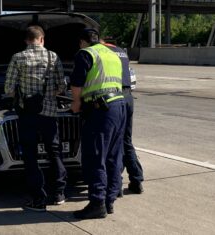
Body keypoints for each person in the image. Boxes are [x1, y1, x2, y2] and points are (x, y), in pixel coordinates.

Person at [5, 25, 67, 212]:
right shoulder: (53, 56)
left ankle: (38, 198)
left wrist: (21, 95)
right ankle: (59, 193)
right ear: (42, 39)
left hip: (27, 114)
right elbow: (62, 85)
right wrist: (50, 94)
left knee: (30, 156)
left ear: (26, 40)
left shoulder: (18, 57)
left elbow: (8, 88)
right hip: (49, 112)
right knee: (54, 151)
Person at [70, 28, 126, 219]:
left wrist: (76, 103)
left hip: (100, 110)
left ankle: (97, 203)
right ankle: (109, 200)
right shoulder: (112, 54)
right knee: (113, 156)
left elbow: (77, 84)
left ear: (82, 42)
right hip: (119, 105)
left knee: (95, 156)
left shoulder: (86, 54)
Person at [102, 40, 144, 195]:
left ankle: (116, 184)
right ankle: (136, 180)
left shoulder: (103, 52)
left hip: (115, 97)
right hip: (128, 97)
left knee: (114, 144)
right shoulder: (122, 52)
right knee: (126, 140)